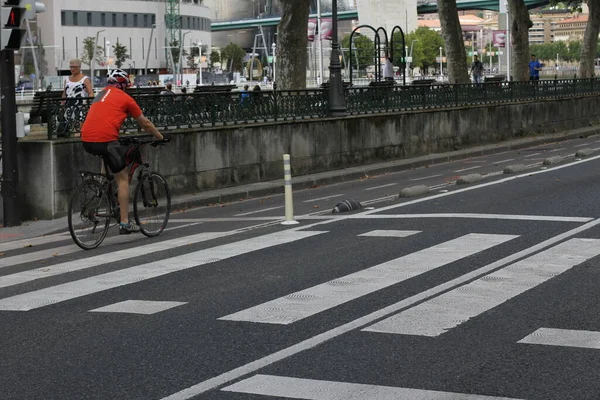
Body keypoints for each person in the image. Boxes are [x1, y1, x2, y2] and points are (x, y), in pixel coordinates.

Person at [80, 69, 168, 234]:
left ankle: (100, 191)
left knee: (107, 157)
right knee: (122, 179)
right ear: (124, 85)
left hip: (86, 138)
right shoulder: (126, 98)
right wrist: (160, 137)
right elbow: (145, 123)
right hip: (105, 139)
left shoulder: (100, 94)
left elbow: (104, 117)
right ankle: (125, 223)